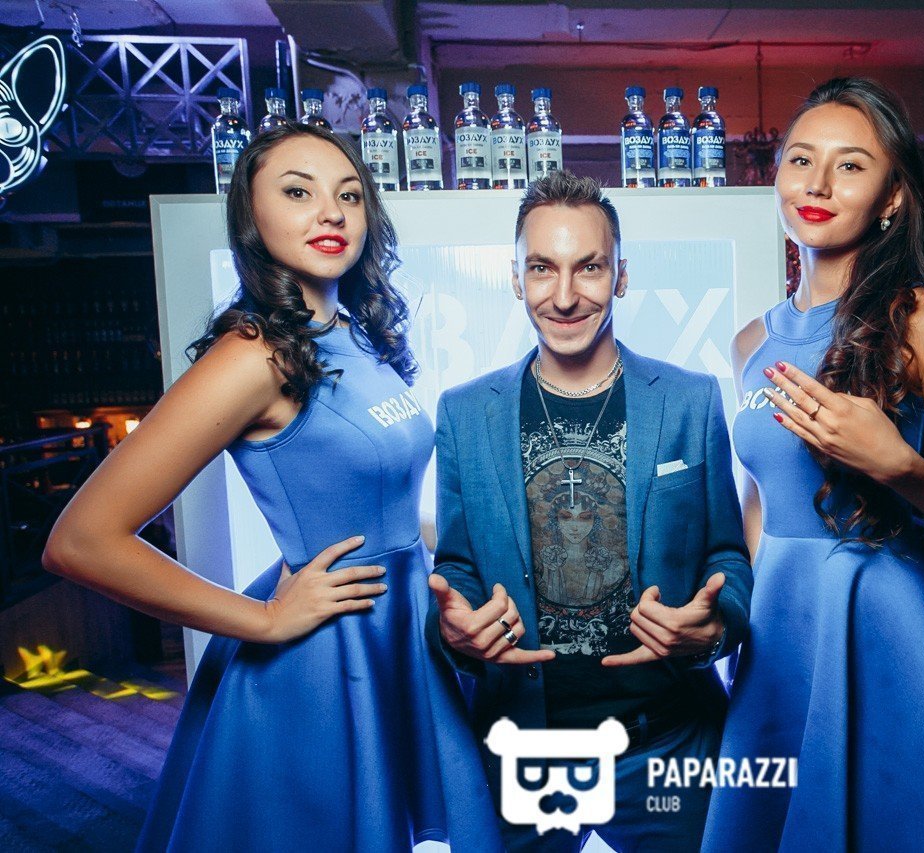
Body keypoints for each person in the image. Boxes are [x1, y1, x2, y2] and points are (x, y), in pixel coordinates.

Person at [42, 123, 501, 852]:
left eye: (349, 195)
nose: (331, 212)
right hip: (325, 660)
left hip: (401, 632)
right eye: (297, 192)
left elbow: (383, 505)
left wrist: (465, 572)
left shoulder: (356, 334)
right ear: (251, 218)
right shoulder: (253, 355)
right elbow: (80, 540)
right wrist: (262, 620)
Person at [701, 78, 924, 851]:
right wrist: (729, 610)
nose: (818, 184)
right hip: (778, 622)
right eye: (802, 159)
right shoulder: (749, 342)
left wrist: (898, 464)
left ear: (892, 198)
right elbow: (759, 502)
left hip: (881, 612)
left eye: (851, 165)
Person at [425, 169, 753, 852]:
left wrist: (717, 626)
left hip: (666, 741)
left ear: (621, 275)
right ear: (516, 278)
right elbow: (456, 567)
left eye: (590, 267)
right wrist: (452, 629)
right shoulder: (464, 412)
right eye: (542, 268)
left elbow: (727, 552)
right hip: (524, 747)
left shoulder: (690, 400)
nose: (566, 295)